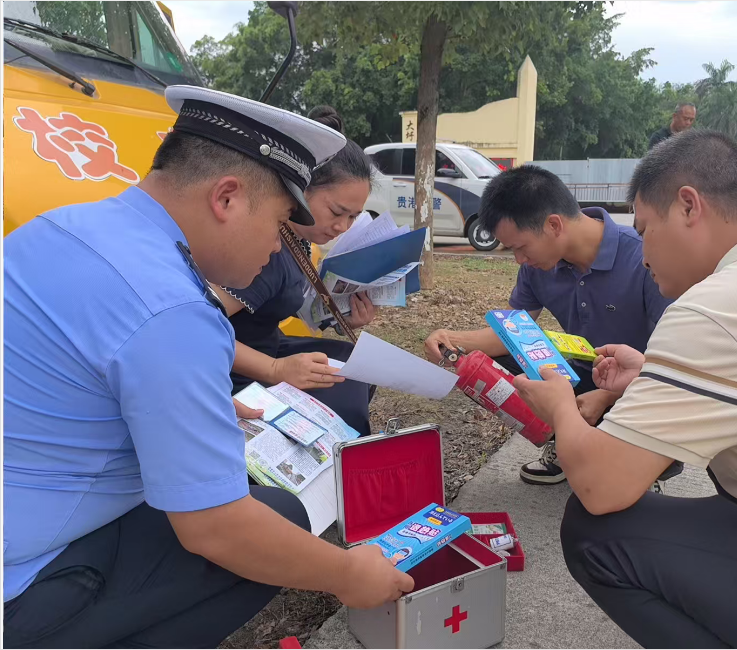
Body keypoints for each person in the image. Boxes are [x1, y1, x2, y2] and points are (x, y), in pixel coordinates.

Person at [3, 86, 413, 649]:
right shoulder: (172, 308)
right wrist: (350, 575)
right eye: (277, 224)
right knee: (276, 523)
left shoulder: (59, 228)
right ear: (227, 198)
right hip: (29, 581)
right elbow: (215, 529)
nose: (277, 248)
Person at [515, 130, 737, 648]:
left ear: (687, 207)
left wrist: (562, 407)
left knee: (596, 533)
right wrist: (651, 375)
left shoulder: (716, 307)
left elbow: (601, 486)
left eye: (646, 229)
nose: (644, 253)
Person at [423, 165, 679, 487]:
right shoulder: (537, 267)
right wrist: (452, 339)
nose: (518, 259)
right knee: (489, 365)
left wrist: (606, 397)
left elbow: (674, 359)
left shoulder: (641, 256)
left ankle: (641, 465)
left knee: (651, 407)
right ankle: (565, 443)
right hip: (580, 372)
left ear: (554, 225)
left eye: (520, 247)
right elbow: (512, 332)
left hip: (638, 383)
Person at [215, 106, 377, 436]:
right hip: (236, 373)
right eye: (337, 212)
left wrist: (341, 315)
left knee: (353, 364)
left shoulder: (297, 239)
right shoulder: (265, 248)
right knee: (345, 403)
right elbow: (196, 328)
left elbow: (288, 301)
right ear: (300, 188)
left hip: (269, 349)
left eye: (353, 217)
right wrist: (276, 369)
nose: (342, 227)